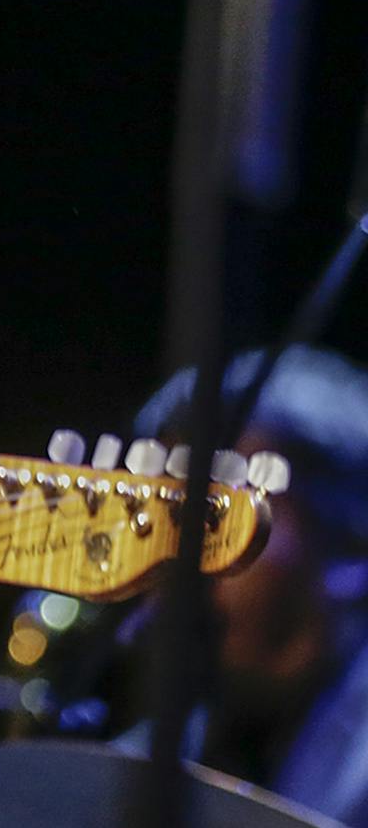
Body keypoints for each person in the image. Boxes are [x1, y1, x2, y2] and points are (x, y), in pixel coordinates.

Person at [125, 346, 368, 826]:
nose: (167, 576)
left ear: (351, 547)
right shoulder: (169, 741)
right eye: (155, 528)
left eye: (220, 528)